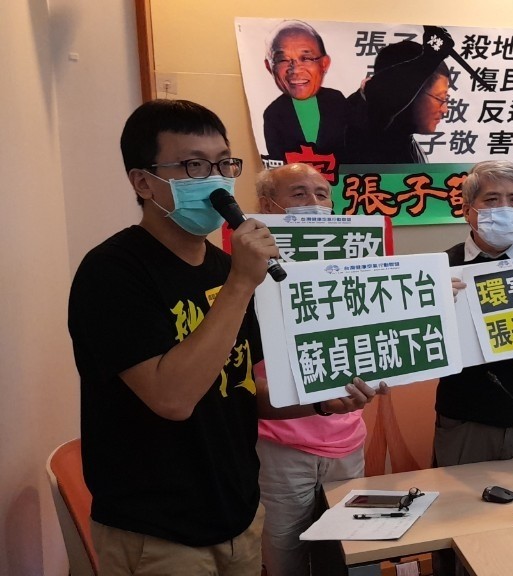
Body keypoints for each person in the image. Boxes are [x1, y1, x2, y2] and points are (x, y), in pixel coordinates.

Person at [68, 100, 381, 574]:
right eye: (193, 166)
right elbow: (172, 398)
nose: (215, 181)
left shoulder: (222, 267)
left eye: (223, 164)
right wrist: (240, 285)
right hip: (159, 530)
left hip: (239, 515)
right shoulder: (113, 272)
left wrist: (320, 401)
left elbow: (240, 390)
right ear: (143, 182)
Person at [253, 163, 364, 576]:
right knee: (286, 557)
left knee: (349, 553)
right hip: (281, 443)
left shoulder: (355, 263)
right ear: (268, 206)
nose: (314, 203)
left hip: (347, 437)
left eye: (322, 194)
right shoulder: (244, 270)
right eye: (299, 194)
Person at [435, 160, 513, 466]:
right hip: (465, 421)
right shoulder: (439, 268)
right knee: (462, 498)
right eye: (492, 199)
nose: (505, 208)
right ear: (467, 211)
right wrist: (434, 308)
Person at [345, 32, 453, 164]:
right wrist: (430, 56)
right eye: (440, 98)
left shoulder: (408, 142)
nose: (445, 109)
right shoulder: (359, 128)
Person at [261, 21, 349, 167]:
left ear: (324, 63)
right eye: (283, 60)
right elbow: (279, 168)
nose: (295, 70)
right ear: (269, 67)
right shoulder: (273, 113)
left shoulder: (336, 101)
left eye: (306, 58)